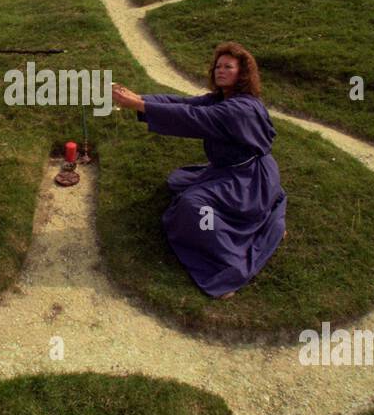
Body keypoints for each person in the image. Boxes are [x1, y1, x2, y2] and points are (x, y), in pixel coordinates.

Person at [110, 42, 286, 299]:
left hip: (249, 181)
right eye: (218, 66)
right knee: (178, 180)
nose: (220, 70)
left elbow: (191, 118)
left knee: (191, 208)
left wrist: (138, 106)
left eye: (228, 67)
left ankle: (229, 265)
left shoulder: (239, 109)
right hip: (231, 171)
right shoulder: (222, 99)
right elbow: (183, 104)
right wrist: (140, 98)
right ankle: (260, 220)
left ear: (242, 73)